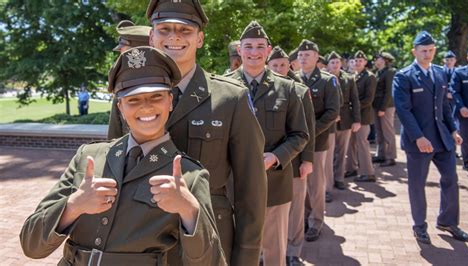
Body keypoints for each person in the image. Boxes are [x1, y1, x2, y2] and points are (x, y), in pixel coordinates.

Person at [20, 46, 226, 265]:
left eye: (156, 96)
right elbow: (31, 246)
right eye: (133, 99)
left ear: (170, 101)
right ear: (120, 107)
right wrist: (74, 205)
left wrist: (189, 210)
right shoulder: (89, 157)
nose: (146, 107)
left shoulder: (190, 175)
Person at [146, 1, 267, 265]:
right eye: (164, 29)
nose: (174, 37)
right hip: (143, 241)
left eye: (185, 30)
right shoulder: (129, 97)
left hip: (209, 239)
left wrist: (245, 258)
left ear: (199, 38)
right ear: (151, 36)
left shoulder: (231, 98)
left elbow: (251, 192)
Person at [227, 21, 309, 266]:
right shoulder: (222, 86)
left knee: (274, 251)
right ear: (239, 50)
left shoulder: (289, 89)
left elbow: (300, 135)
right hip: (231, 185)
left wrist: (275, 157)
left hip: (274, 182)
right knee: (235, 248)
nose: (254, 52)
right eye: (248, 46)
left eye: (260, 46)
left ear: (268, 49)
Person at [393, 31, 468, 244]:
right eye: (423, 50)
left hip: (442, 139)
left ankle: (447, 221)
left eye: (431, 50)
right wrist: (418, 137)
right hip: (418, 142)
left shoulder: (439, 73)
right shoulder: (404, 76)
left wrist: (453, 130)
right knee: (417, 184)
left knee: (451, 179)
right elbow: (403, 110)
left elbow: (444, 106)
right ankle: (419, 225)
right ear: (414, 51)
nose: (428, 54)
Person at [266, 46, 315, 266]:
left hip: (294, 161)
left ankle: (294, 250)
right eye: (274, 65)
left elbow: (308, 130)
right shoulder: (263, 90)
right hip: (273, 163)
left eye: (282, 65)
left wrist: (308, 159)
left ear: (290, 66)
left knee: (295, 209)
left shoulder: (298, 90)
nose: (278, 69)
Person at [297, 39, 339, 242]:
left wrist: (311, 131)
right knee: (301, 182)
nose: (303, 58)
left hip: (317, 141)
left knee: (315, 183)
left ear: (316, 57)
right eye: (300, 55)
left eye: (307, 55)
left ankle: (316, 221)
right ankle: (304, 216)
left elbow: (332, 112)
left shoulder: (327, 80)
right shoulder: (294, 79)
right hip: (296, 142)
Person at [108, 20, 152, 139]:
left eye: (125, 53)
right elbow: (114, 137)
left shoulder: (172, 86)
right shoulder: (122, 88)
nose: (120, 58)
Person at [326, 51, 361, 193]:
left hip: (345, 120)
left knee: (342, 151)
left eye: (337, 62)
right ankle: (328, 181)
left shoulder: (349, 79)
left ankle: (339, 178)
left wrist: (357, 120)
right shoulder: (324, 78)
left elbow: (355, 100)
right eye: (332, 62)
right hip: (328, 121)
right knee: (329, 153)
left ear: (341, 63)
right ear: (328, 64)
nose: (335, 65)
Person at [347, 50, 377, 182]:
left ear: (365, 62)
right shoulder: (353, 75)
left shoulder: (369, 77)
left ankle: (368, 172)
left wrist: (353, 107)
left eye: (360, 61)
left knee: (362, 144)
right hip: (352, 116)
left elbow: (368, 99)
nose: (357, 63)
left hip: (363, 117)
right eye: (355, 61)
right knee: (351, 143)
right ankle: (352, 168)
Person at [451, 46, 468, 171]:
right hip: (465, 112)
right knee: (465, 137)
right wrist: (461, 107)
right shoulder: (460, 72)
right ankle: (466, 160)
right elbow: (455, 91)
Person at [372, 51, 397, 167]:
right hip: (377, 106)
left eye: (377, 58)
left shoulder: (390, 72)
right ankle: (381, 155)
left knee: (388, 132)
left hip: (386, 106)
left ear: (384, 60)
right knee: (379, 132)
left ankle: (390, 157)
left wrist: (383, 108)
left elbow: (389, 92)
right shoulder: (378, 72)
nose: (375, 60)